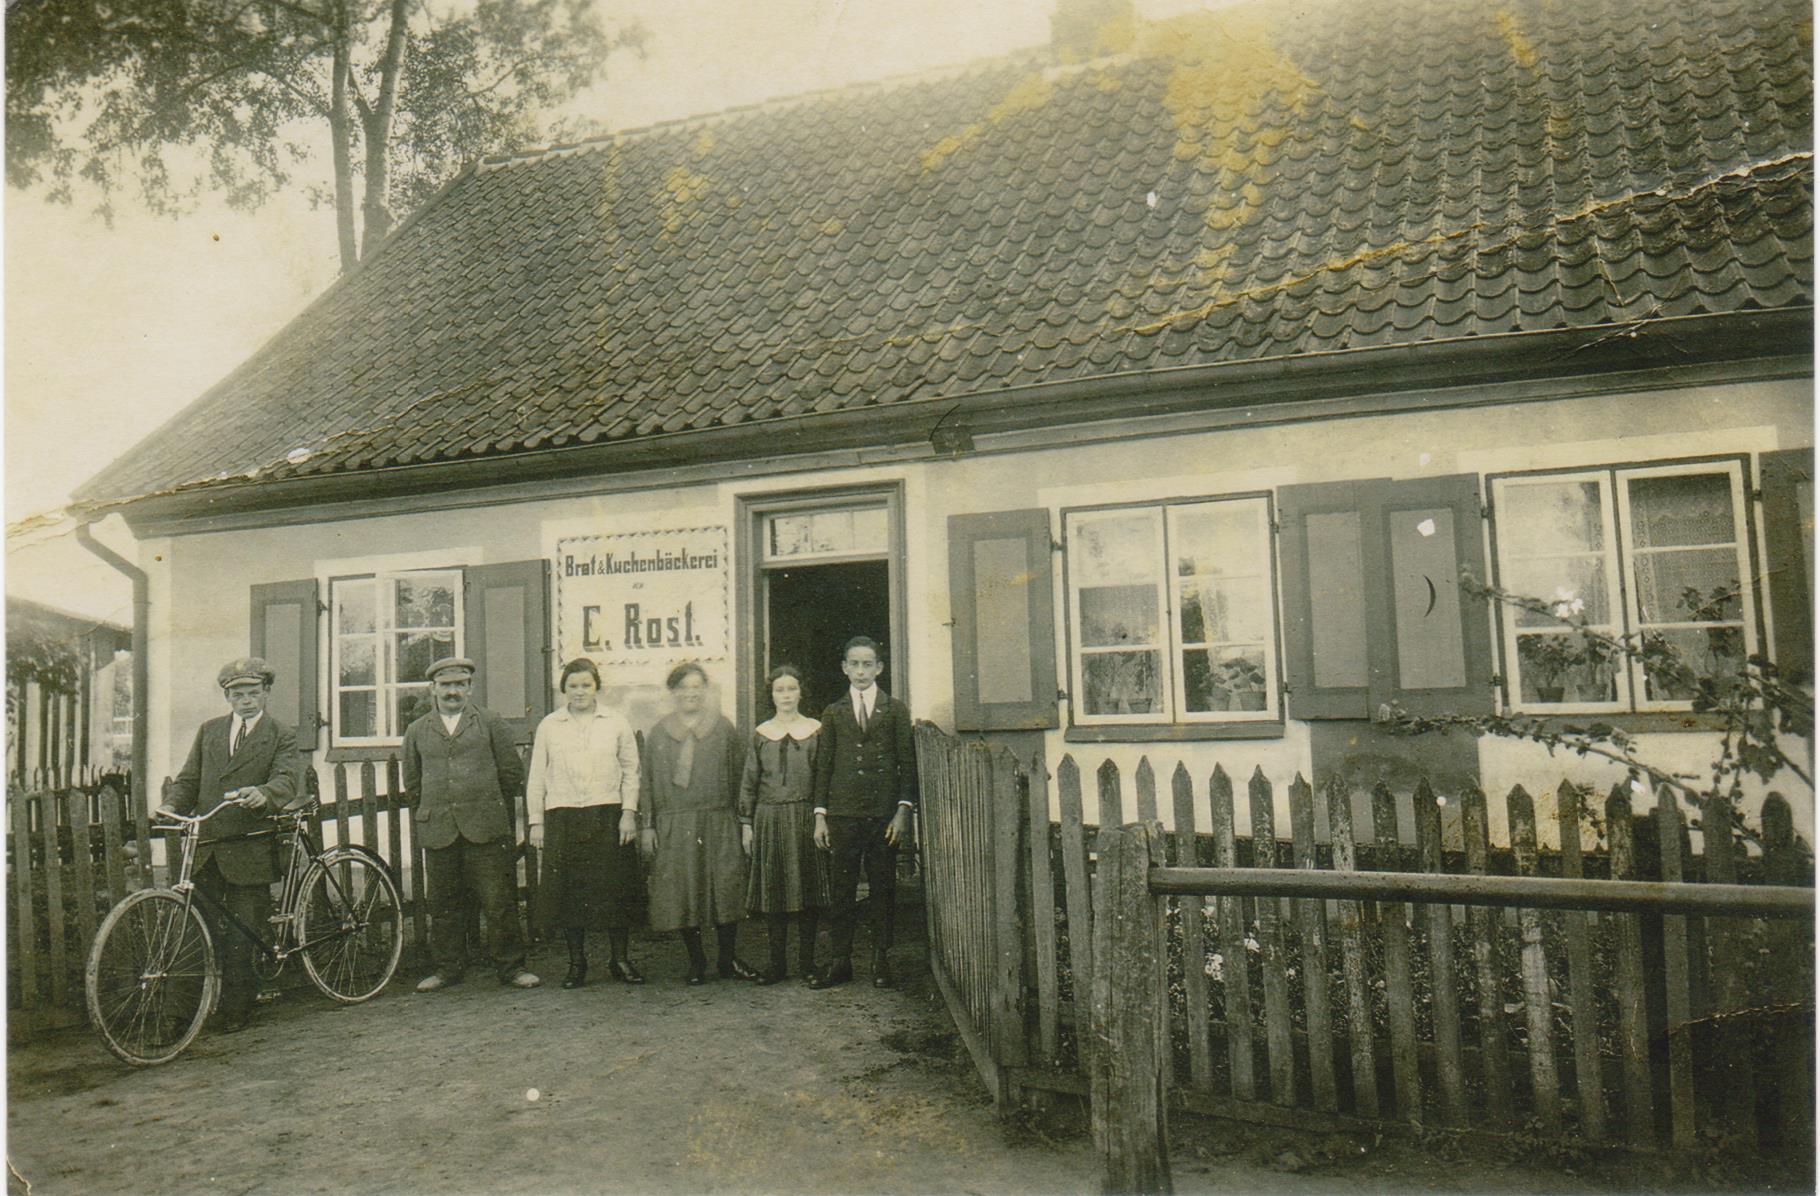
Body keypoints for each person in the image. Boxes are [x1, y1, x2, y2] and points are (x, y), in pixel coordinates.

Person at [163, 656, 305, 1032]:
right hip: (209, 846)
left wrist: (265, 793)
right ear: (227, 697)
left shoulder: (280, 734)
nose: (246, 701)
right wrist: (171, 804)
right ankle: (184, 1014)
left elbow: (288, 778)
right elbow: (189, 778)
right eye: (238, 695)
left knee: (244, 931)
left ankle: (236, 1009)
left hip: (249, 846)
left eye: (253, 693)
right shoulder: (209, 731)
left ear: (266, 693)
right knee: (197, 928)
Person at [402, 656, 541, 992]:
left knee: (498, 902)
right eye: (446, 685)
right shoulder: (417, 730)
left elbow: (511, 774)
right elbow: (413, 782)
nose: (453, 692)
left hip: (486, 827)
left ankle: (511, 968)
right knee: (444, 904)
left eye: (460, 685)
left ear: (470, 688)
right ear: (433, 689)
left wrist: (487, 807)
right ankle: (448, 969)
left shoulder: (490, 722)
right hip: (440, 829)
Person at [526, 657, 644, 989]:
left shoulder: (615, 722)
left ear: (597, 687)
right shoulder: (550, 725)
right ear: (564, 688)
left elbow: (631, 771)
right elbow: (537, 777)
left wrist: (628, 814)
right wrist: (537, 822)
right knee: (569, 893)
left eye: (586, 685)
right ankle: (577, 964)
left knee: (614, 890)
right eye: (573, 685)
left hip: (606, 814)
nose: (580, 692)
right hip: (563, 817)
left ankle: (619, 959)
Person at [807, 635, 917, 990]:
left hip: (883, 816)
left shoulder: (896, 709)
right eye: (853, 664)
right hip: (843, 814)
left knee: (883, 888)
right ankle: (841, 961)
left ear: (879, 668)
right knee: (842, 889)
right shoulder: (834, 711)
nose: (860, 671)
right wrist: (821, 815)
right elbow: (823, 766)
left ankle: (880, 959)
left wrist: (902, 812)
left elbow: (906, 763)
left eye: (867, 664)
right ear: (844, 668)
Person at [639, 661, 757, 985]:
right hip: (675, 823)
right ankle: (696, 961)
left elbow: (740, 777)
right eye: (683, 688)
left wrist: (742, 818)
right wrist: (648, 825)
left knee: (725, 888)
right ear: (673, 693)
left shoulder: (723, 729)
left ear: (705, 691)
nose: (690, 693)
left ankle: (727, 958)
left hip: (718, 820)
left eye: (697, 687)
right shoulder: (659, 733)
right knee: (682, 892)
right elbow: (647, 782)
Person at [737, 664, 828, 986]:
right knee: (774, 893)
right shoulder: (762, 734)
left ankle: (807, 963)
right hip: (770, 818)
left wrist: (820, 817)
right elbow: (749, 781)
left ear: (801, 691)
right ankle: (776, 964)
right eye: (780, 690)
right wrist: (746, 823)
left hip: (804, 817)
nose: (786, 695)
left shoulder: (816, 730)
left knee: (808, 892)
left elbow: (823, 778)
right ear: (772, 695)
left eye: (791, 689)